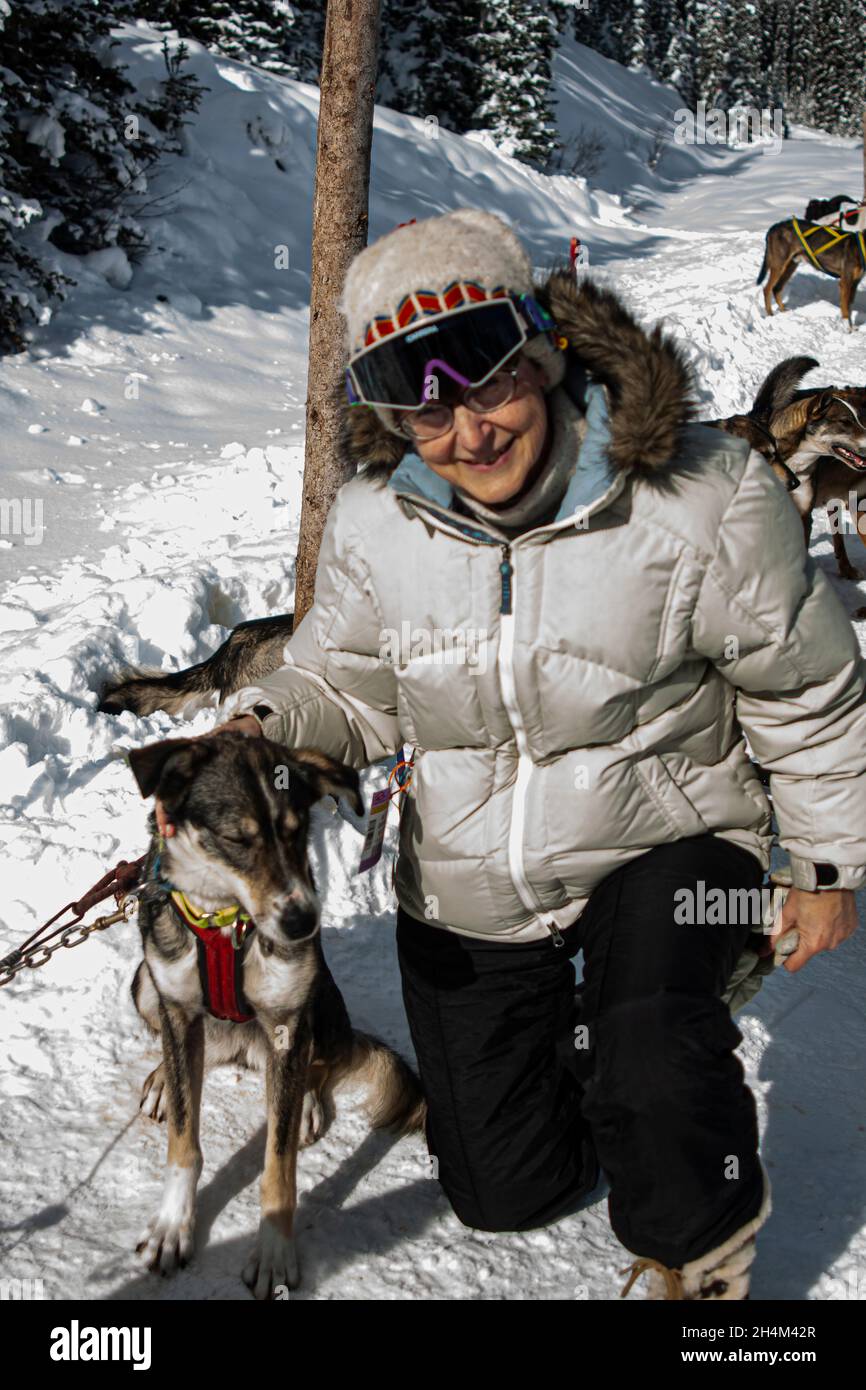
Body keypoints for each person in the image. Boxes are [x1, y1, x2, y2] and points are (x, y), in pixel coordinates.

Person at [158, 209, 866, 1299]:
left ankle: (699, 1261)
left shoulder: (703, 490)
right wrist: (261, 723)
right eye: (417, 396)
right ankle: (603, 1037)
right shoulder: (373, 522)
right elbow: (344, 688)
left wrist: (823, 867)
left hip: (679, 834)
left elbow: (807, 686)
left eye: (485, 371)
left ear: (541, 348)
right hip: (477, 864)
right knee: (503, 1188)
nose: (466, 426)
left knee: (649, 1042)